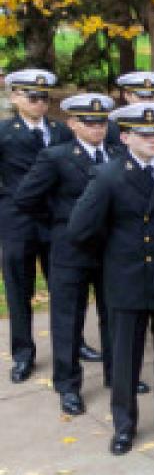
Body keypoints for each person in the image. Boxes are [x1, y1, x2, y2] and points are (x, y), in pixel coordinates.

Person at [69, 103, 154, 454]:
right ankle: (124, 423)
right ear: (124, 137)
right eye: (143, 133)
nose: (153, 139)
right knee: (126, 357)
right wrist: (113, 255)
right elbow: (80, 229)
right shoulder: (109, 175)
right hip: (126, 278)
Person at [14, 93, 116, 414]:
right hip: (70, 248)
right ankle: (68, 385)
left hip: (109, 248)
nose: (97, 128)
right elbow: (26, 198)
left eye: (102, 122)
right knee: (68, 318)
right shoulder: (56, 156)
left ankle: (117, 375)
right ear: (72, 124)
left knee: (112, 315)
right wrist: (61, 221)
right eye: (89, 122)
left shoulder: (115, 154)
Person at [1, 69, 74, 383]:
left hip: (54, 220)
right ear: (14, 97)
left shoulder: (60, 132)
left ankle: (70, 349)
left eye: (44, 97)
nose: (40, 103)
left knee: (63, 288)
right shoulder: (4, 132)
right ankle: (23, 353)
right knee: (19, 289)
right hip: (17, 221)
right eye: (32, 97)